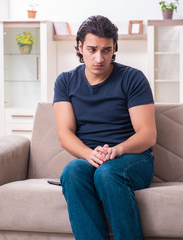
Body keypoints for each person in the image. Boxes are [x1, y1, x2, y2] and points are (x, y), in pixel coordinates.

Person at [53, 15, 156, 240]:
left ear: (114, 47)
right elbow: (65, 133)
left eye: (106, 50)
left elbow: (148, 135)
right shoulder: (65, 82)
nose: (99, 58)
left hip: (132, 157)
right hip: (90, 157)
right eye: (92, 49)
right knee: (72, 172)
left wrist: (117, 150)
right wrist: (89, 154)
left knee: (107, 173)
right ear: (80, 47)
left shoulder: (133, 78)